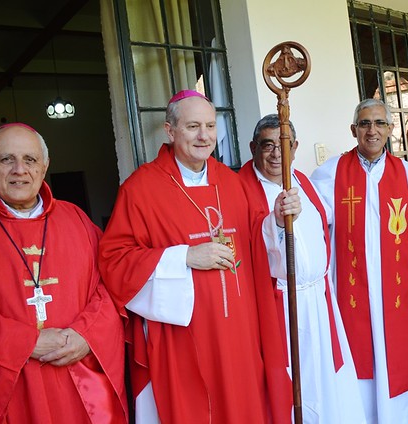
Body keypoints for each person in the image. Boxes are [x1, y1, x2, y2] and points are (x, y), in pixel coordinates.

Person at [98, 90, 298, 423]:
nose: (204, 136)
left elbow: (258, 245)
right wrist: (184, 257)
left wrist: (275, 220)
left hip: (240, 331)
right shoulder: (140, 189)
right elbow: (115, 261)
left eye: (209, 125)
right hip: (183, 339)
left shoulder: (232, 184)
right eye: (193, 126)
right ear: (170, 130)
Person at [0, 123, 127, 423]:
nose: (19, 169)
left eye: (29, 159)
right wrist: (25, 342)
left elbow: (110, 285)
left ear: (44, 166)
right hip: (8, 390)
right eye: (7, 160)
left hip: (78, 381)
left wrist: (87, 335)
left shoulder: (77, 220)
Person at [311, 98, 408, 423]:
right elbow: (315, 217)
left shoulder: (404, 172)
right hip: (351, 283)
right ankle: (361, 413)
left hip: (391, 283)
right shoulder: (332, 171)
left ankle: (396, 413)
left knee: (393, 349)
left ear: (391, 129)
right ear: (353, 130)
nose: (372, 130)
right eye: (365, 124)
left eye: (380, 123)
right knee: (357, 348)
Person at [239, 114, 367, 423]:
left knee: (326, 378)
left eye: (282, 145)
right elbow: (248, 244)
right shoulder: (240, 189)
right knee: (296, 381)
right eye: (267, 145)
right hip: (280, 304)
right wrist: (276, 222)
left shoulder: (303, 180)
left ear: (295, 148)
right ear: (253, 147)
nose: (275, 154)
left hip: (319, 300)